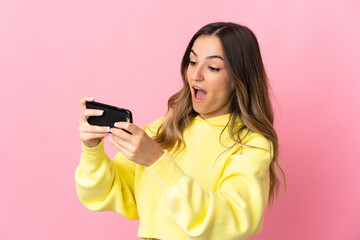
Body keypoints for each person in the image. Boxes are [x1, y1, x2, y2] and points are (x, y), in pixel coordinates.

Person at [75, 22, 285, 240]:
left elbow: (229, 222)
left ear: (238, 79)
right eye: (192, 62)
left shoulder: (252, 145)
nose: (195, 75)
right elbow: (104, 192)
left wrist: (158, 161)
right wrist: (92, 149)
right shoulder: (163, 130)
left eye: (212, 68)